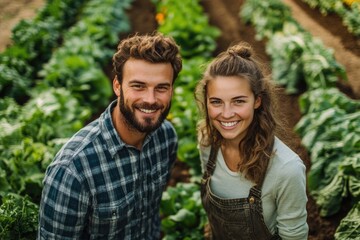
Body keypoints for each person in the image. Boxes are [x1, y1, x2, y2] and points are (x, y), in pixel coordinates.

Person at [37, 32, 182, 239]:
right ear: (117, 86)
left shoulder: (166, 138)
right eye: (138, 86)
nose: (150, 99)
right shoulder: (73, 171)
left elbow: (150, 216)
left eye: (161, 88)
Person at [195, 42, 308, 239]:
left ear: (257, 101)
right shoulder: (207, 143)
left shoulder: (286, 169)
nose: (226, 114)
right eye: (216, 102)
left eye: (238, 101)